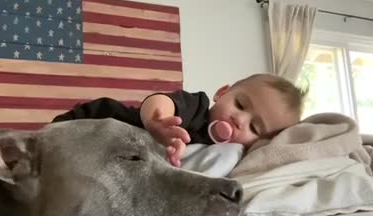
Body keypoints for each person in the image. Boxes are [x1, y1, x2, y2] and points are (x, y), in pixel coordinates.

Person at [53, 73, 306, 167]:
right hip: (95, 119)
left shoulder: (229, 156)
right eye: (240, 104)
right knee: (52, 146)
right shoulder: (198, 107)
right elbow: (161, 100)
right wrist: (159, 121)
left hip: (114, 158)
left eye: (254, 127)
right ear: (222, 93)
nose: (239, 119)